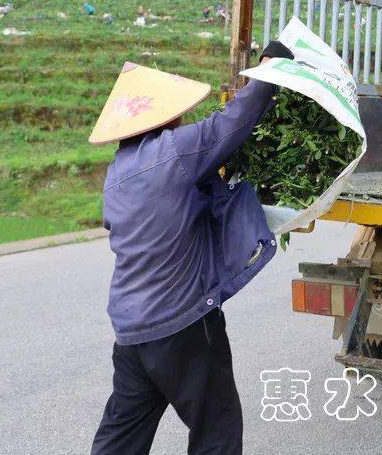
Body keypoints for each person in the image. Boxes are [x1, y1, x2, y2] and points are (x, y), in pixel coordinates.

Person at [88, 40, 293, 455]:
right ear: (163, 116)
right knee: (216, 427)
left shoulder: (117, 173)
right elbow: (231, 123)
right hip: (181, 323)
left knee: (122, 436)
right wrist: (271, 70)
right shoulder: (174, 152)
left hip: (131, 332)